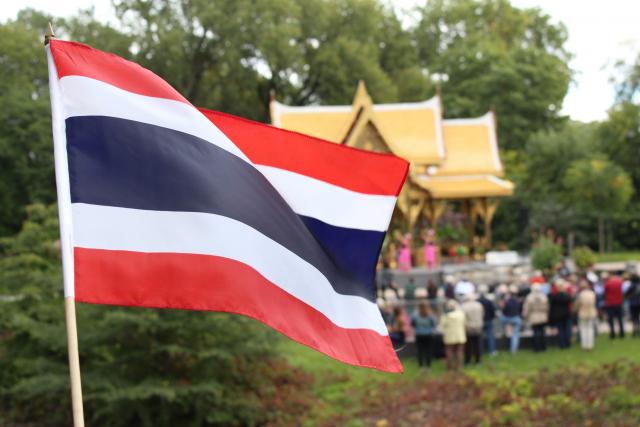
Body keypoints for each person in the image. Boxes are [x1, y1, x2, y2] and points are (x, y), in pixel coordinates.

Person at [440, 299, 466, 372]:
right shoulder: (461, 314)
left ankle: (450, 368)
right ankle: (459, 367)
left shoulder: (445, 316)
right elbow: (464, 323)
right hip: (460, 335)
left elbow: (442, 325)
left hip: (449, 336)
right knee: (459, 351)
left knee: (449, 351)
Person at [523, 283, 549, 352]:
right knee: (542, 332)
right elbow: (547, 307)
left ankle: (537, 347)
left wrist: (525, 316)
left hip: (534, 316)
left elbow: (527, 308)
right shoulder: (544, 296)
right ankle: (543, 347)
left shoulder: (530, 297)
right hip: (542, 316)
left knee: (536, 332)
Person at [412, 301, 437, 367]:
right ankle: (428, 364)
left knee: (420, 350)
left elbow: (412, 323)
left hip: (419, 334)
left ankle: (420, 365)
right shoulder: (431, 314)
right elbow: (434, 323)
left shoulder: (415, 314)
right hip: (429, 334)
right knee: (428, 350)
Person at [575, 279, 598, 351]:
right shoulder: (592, 294)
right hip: (591, 312)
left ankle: (585, 345)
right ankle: (590, 345)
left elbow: (578, 305)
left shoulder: (581, 295)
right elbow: (594, 302)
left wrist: (576, 310)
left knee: (584, 329)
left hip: (583, 313)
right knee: (590, 329)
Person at [462, 293, 484, 364]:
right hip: (478, 326)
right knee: (477, 344)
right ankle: (478, 360)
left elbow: (463, 318)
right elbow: (482, 314)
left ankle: (468, 360)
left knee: (468, 346)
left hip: (469, 327)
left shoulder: (464, 306)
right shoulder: (479, 305)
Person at [549, 280, 572, 349]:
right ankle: (567, 343)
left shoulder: (554, 296)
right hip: (566, 314)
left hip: (558, 315)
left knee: (561, 330)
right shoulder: (566, 295)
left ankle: (562, 344)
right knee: (566, 329)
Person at [500, 285, 522, 354]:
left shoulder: (506, 301)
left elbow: (503, 310)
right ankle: (513, 350)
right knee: (515, 335)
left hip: (507, 318)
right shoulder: (518, 301)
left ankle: (503, 332)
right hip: (515, 318)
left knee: (501, 319)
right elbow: (520, 310)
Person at [604, 272, 625, 339]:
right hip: (619, 302)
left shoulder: (607, 283)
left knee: (611, 320)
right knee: (620, 319)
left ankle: (612, 334)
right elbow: (622, 291)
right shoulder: (620, 282)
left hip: (610, 303)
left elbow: (605, 292)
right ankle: (622, 333)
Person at [477, 284, 497, 355]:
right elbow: (493, 311)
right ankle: (492, 351)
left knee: (480, 337)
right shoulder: (489, 301)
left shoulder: (477, 301)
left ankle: (480, 351)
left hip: (480, 321)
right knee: (490, 336)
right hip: (488, 320)